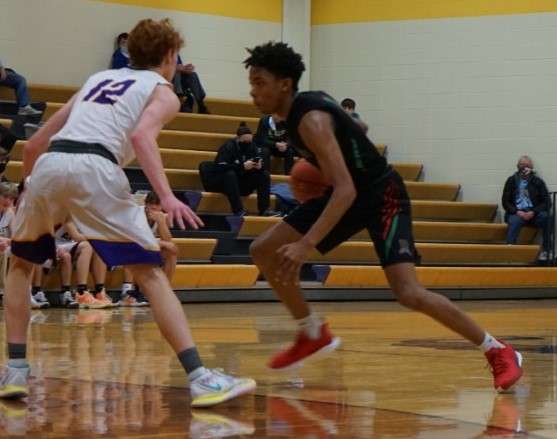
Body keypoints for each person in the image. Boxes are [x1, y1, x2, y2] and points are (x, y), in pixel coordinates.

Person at [0, 18, 255, 407]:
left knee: (20, 264)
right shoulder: (164, 91)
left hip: (51, 163)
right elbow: (140, 137)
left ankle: (15, 370)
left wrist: (29, 190)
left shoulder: (97, 79)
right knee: (150, 274)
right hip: (97, 168)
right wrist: (167, 197)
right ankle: (201, 377)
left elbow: (34, 143)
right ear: (171, 56)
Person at [244, 42, 523, 392]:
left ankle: (498, 351)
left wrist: (305, 244)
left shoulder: (311, 120)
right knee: (262, 249)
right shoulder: (308, 107)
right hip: (350, 192)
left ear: (284, 84)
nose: (253, 92)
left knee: (409, 292)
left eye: (259, 82)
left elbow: (346, 189)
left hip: (381, 195)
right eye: (252, 83)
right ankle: (312, 332)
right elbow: (358, 128)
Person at [199, 122, 274, 216]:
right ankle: (238, 210)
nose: (247, 144)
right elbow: (220, 167)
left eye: (249, 142)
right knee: (230, 174)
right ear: (238, 138)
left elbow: (258, 163)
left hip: (241, 183)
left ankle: (264, 210)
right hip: (223, 183)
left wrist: (259, 167)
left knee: (264, 175)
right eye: (245, 142)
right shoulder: (228, 147)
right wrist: (242, 166)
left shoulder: (252, 147)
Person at [120, 191, 177, 307]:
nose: (154, 210)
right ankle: (127, 292)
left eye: (157, 208)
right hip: (125, 244)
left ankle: (164, 291)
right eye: (151, 207)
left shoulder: (161, 217)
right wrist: (160, 243)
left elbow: (168, 241)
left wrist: (161, 223)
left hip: (148, 247)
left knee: (171, 251)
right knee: (135, 249)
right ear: (145, 204)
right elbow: (135, 238)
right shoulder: (136, 214)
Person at [502, 155, 551, 261]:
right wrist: (517, 211)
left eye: (527, 165)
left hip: (533, 214)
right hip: (517, 213)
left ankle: (546, 251)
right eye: (522, 165)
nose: (524, 167)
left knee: (547, 217)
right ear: (517, 166)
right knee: (514, 221)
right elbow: (505, 202)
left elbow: (547, 202)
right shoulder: (511, 180)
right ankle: (510, 251)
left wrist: (533, 212)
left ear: (531, 167)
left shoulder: (538, 181)